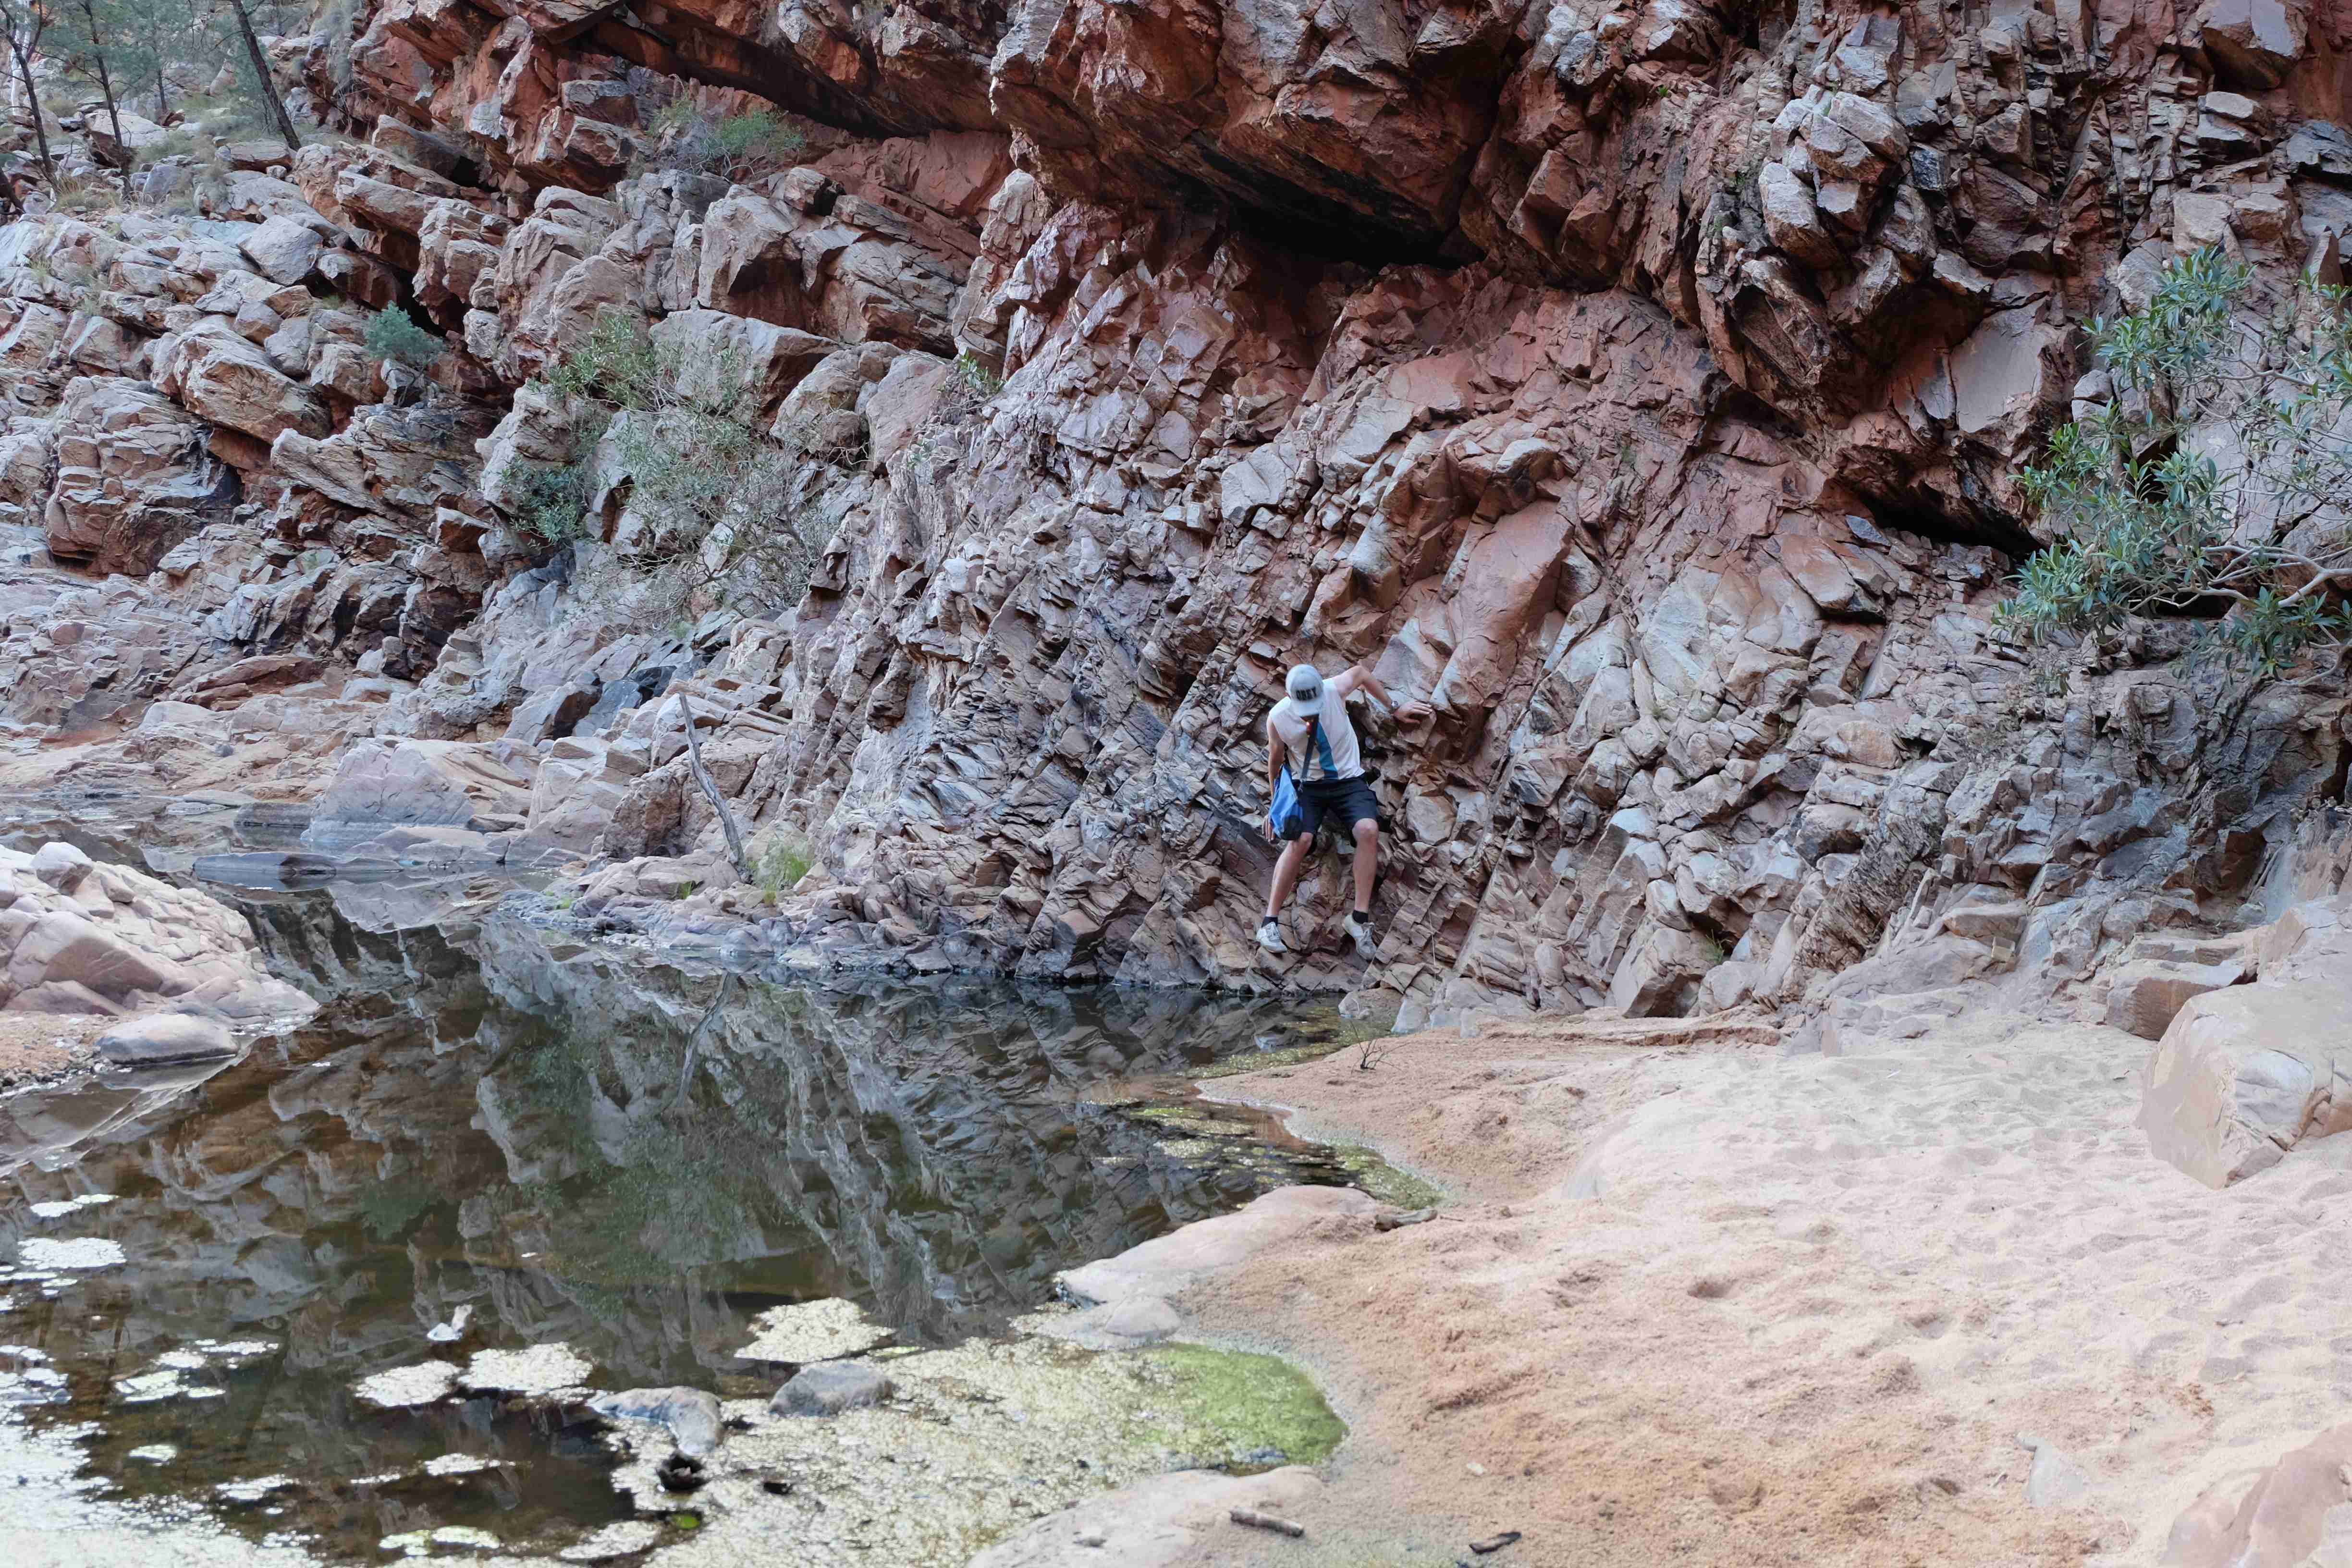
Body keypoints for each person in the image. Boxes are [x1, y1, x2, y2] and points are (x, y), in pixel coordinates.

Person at [1260, 661, 1430, 958]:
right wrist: (1275, 806)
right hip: (1308, 786)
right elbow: (1275, 761)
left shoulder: (1334, 689)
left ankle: (1359, 920)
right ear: (1289, 697)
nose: (1310, 714)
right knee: (1300, 840)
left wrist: (1394, 707)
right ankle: (1269, 923)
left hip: (1348, 780)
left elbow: (1361, 672)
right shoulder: (1278, 718)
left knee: (1368, 830)